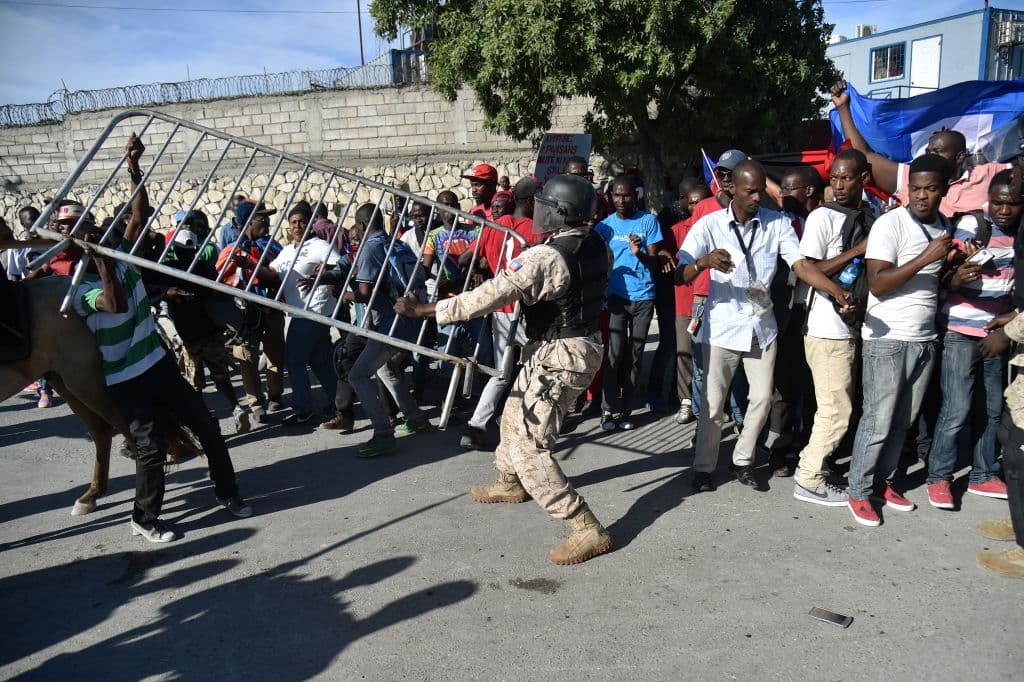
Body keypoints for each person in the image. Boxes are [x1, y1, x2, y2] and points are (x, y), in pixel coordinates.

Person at [394, 173, 615, 565]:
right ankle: (510, 481)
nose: (534, 211)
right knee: (513, 412)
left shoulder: (544, 257)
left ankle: (584, 525)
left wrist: (427, 310)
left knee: (531, 443)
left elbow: (490, 294)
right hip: (567, 346)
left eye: (543, 205)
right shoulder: (596, 241)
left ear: (560, 212)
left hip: (560, 355)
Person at [676, 160, 853, 493]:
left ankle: (742, 460)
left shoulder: (778, 224)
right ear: (732, 190)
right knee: (713, 405)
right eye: (750, 191)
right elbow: (679, 273)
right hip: (723, 329)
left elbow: (801, 265)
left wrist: (835, 290)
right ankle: (703, 467)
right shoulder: (710, 225)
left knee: (760, 400)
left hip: (761, 326)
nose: (759, 197)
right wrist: (704, 262)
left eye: (761, 190)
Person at [844, 154, 956, 527]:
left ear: (945, 189)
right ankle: (857, 490)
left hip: (924, 337)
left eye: (931, 188)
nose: (922, 195)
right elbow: (879, 282)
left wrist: (957, 270)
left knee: (903, 423)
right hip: (887, 338)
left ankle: (882, 482)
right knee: (878, 419)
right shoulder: (890, 224)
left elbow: (934, 284)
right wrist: (926, 257)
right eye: (917, 188)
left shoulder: (943, 227)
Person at [925, 170, 1022, 508]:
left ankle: (983, 473)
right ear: (989, 200)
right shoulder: (973, 226)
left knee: (992, 408)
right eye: (998, 202)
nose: (1005, 210)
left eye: (1012, 203)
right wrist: (956, 273)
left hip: (997, 332)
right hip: (960, 333)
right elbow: (943, 272)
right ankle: (938, 476)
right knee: (957, 408)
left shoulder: (1019, 234)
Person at [793, 149, 879, 506]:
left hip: (852, 325)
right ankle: (810, 478)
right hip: (827, 327)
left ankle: (815, 465)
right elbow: (807, 268)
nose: (840, 185)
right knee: (835, 409)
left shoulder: (870, 214)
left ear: (864, 178)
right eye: (835, 178)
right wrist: (856, 252)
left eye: (847, 178)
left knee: (835, 404)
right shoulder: (822, 219)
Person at [830, 80, 1011, 214]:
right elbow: (863, 157)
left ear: (959, 157)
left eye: (937, 152)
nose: (929, 156)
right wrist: (843, 107)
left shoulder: (987, 175)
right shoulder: (911, 178)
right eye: (928, 151)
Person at [460, 176, 541, 450]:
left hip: (500, 306)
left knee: (502, 371)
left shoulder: (493, 226)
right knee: (534, 365)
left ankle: (475, 425)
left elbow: (469, 257)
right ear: (529, 201)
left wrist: (483, 265)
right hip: (524, 308)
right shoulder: (534, 230)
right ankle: (525, 423)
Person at [347, 203, 432, 457]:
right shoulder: (393, 242)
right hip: (407, 317)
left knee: (358, 375)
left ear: (361, 226)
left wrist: (346, 295)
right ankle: (415, 416)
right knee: (384, 369)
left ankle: (383, 432)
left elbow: (364, 293)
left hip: (390, 323)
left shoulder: (371, 248)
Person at [595, 173, 674, 430]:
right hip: (617, 298)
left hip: (643, 298)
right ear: (611, 196)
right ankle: (608, 411)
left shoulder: (648, 221)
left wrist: (639, 253)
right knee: (614, 354)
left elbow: (656, 262)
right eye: (616, 195)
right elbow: (596, 262)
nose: (621, 200)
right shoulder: (604, 227)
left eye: (626, 195)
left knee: (635, 355)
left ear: (635, 196)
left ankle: (626, 412)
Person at [262, 201, 343, 425]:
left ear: (310, 224)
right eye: (293, 222)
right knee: (319, 362)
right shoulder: (287, 250)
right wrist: (248, 264)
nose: (297, 226)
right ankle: (340, 404)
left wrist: (324, 270)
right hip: (300, 313)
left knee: (294, 361)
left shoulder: (319, 246)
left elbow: (342, 267)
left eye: (302, 222)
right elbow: (271, 273)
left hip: (312, 312)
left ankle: (303, 409)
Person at [766, 166, 823, 476]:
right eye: (781, 189)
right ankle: (778, 450)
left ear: (809, 192)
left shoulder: (827, 221)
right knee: (784, 388)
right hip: (787, 315)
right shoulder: (777, 224)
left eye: (789, 190)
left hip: (821, 315)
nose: (782, 195)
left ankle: (813, 447)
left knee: (817, 390)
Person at [215, 201, 286, 422]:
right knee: (246, 358)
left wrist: (251, 263)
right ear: (248, 222)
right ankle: (256, 403)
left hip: (271, 309)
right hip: (244, 314)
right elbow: (219, 277)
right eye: (260, 217)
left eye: (266, 217)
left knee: (275, 355)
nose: (266, 221)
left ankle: (275, 394)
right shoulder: (232, 250)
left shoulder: (274, 247)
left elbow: (280, 272)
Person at [669, 181, 712, 425]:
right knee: (685, 353)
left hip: (710, 300)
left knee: (709, 358)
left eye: (701, 201)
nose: (697, 207)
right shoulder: (677, 229)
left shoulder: (718, 226)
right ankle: (686, 401)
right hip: (685, 303)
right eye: (693, 202)